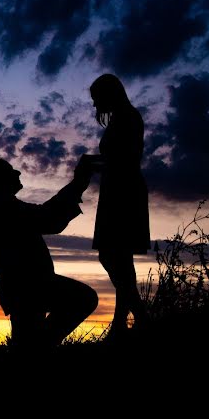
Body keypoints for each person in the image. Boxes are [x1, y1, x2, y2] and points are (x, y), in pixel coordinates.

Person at [0, 157, 98, 351]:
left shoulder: (4, 205)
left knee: (24, 341)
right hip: (27, 285)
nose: (17, 173)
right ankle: (41, 347)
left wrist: (77, 185)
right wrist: (78, 183)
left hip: (23, 286)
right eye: (11, 171)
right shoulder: (4, 206)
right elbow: (49, 218)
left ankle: (39, 347)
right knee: (84, 298)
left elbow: (49, 218)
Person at [80, 73, 151, 337]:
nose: (94, 104)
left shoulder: (128, 118)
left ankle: (141, 316)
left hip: (124, 192)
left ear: (108, 94)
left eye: (96, 98)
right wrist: (92, 162)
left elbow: (125, 161)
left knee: (112, 256)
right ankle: (120, 324)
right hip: (117, 191)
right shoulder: (123, 118)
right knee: (121, 259)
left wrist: (90, 163)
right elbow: (116, 160)